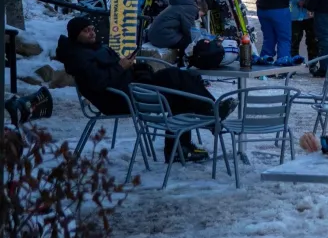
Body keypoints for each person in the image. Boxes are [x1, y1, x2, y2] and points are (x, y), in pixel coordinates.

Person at [58, 16, 219, 162]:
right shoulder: (78, 57)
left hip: (131, 87)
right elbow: (99, 82)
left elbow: (110, 71)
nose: (91, 33)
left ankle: (182, 146)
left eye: (92, 29)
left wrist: (129, 66)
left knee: (180, 80)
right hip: (120, 98)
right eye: (86, 31)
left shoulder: (94, 48)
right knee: (175, 82)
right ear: (75, 35)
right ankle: (210, 112)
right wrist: (121, 67)